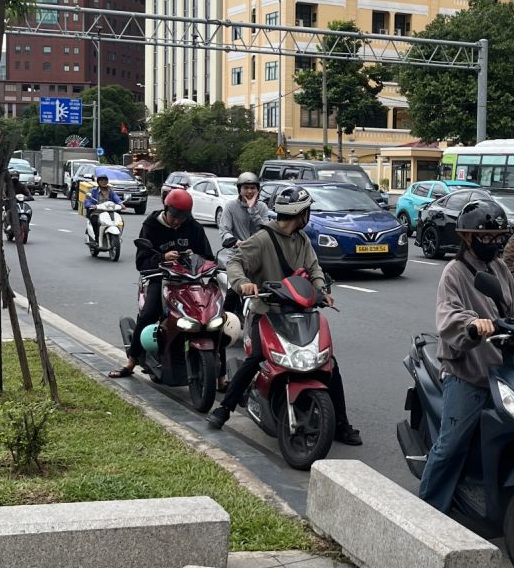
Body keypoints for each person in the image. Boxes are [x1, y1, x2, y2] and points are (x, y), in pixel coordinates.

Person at [206, 184, 362, 444]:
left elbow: (314, 269)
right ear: (301, 214)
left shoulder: (302, 241)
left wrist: (321, 290)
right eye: (307, 211)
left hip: (300, 313)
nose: (308, 216)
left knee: (328, 364)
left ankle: (341, 423)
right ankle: (224, 409)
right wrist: (242, 282)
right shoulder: (262, 239)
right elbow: (235, 262)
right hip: (267, 313)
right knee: (255, 358)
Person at [418, 200, 514, 515]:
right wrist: (472, 325)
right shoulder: (454, 272)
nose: (493, 243)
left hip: (505, 371)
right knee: (451, 446)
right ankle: (424, 513)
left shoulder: (500, 269)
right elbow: (448, 315)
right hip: (468, 372)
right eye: (486, 237)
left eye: (498, 237)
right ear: (467, 237)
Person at [109, 187, 213, 377]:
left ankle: (220, 375)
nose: (177, 221)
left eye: (182, 218)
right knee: (149, 314)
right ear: (166, 209)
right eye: (174, 217)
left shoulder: (194, 227)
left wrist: (195, 256)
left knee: (211, 318)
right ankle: (131, 361)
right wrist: (163, 257)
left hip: (189, 281)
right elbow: (141, 262)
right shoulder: (151, 226)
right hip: (161, 279)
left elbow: (208, 256)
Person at [221, 172, 272, 245]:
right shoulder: (230, 206)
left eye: (253, 188)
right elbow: (225, 230)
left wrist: (252, 210)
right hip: (237, 252)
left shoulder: (262, 206)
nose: (249, 191)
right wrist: (235, 241)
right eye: (246, 188)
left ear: (257, 190)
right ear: (240, 190)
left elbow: (266, 231)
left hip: (257, 250)